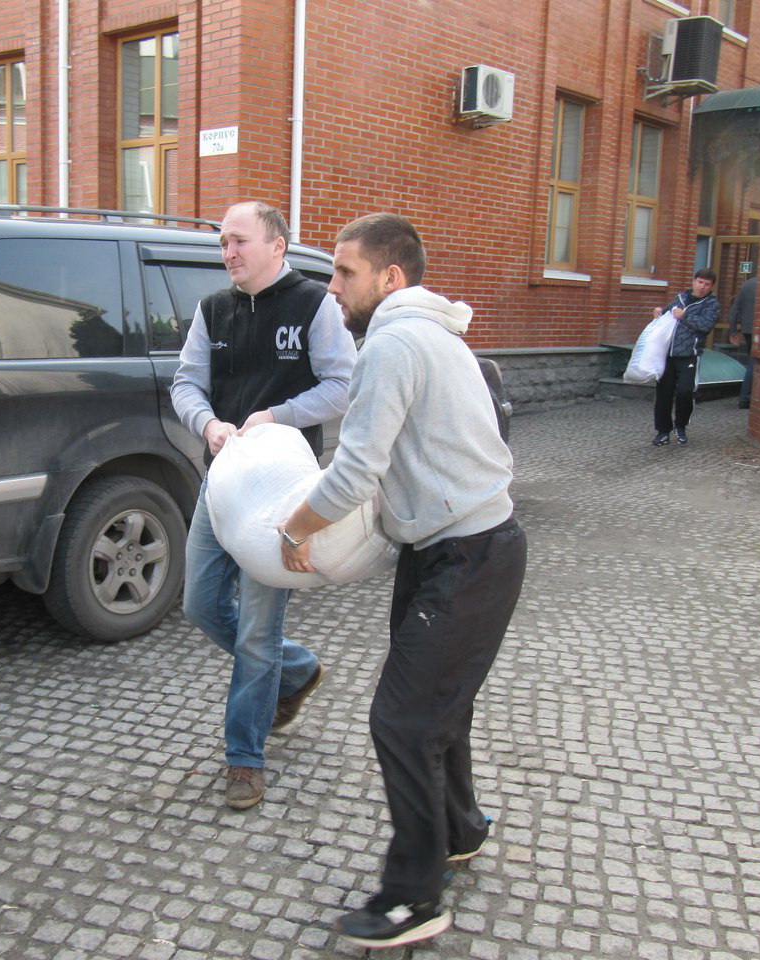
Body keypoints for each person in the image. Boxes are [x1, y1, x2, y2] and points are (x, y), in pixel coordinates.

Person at [276, 213, 526, 949]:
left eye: (345, 272)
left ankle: (413, 899)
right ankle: (460, 830)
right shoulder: (436, 333)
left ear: (390, 277)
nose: (332, 286)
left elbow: (356, 471)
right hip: (458, 548)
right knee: (438, 707)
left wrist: (295, 527)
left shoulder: (392, 342)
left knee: (403, 719)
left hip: (468, 556)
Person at [170, 201, 356, 810]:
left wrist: (277, 415)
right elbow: (186, 384)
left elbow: (343, 385)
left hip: (282, 493)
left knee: (256, 632)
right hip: (221, 481)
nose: (228, 252)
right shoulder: (212, 309)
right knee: (200, 604)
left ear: (277, 245)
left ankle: (245, 759)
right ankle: (295, 668)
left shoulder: (313, 305)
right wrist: (208, 425)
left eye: (239, 241)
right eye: (223, 242)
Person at [651, 267, 720, 446]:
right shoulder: (681, 298)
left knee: (685, 391)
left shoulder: (711, 304)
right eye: (700, 282)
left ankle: (681, 425)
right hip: (668, 354)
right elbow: (667, 314)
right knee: (663, 393)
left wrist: (685, 316)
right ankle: (662, 431)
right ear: (694, 281)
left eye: (707, 284)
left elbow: (706, 325)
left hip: (689, 354)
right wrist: (659, 312)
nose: (702, 286)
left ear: (711, 286)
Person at [728, 275, 757, 409]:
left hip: (747, 329)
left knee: (752, 361)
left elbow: (734, 309)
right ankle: (745, 397)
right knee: (754, 362)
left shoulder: (747, 284)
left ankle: (745, 397)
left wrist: (733, 331)